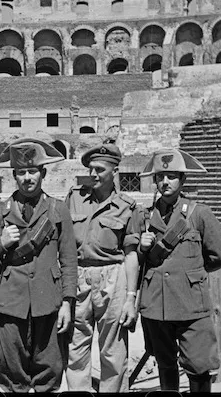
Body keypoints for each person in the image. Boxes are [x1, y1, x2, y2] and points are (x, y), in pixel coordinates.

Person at [0, 138, 77, 393]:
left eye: (33, 171)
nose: (27, 177)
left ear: (43, 173)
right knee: (13, 375)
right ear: (14, 175)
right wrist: (1, 243)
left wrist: (68, 302)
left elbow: (69, 261)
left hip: (48, 304)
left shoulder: (59, 211)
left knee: (49, 372)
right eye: (22, 172)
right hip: (11, 306)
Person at [136, 148, 221, 393]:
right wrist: (142, 248)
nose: (165, 182)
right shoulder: (144, 217)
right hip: (157, 306)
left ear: (183, 180)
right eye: (159, 177)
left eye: (171, 176)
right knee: (165, 365)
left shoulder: (200, 214)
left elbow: (219, 256)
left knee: (198, 366)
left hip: (191, 305)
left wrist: (192, 273)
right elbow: (136, 261)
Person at [64, 143, 141, 392]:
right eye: (90, 169)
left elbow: (131, 255)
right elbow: (62, 244)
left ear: (115, 171)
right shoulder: (74, 198)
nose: (93, 175)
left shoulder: (127, 207)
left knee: (113, 354)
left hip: (112, 278)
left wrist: (131, 298)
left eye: (99, 170)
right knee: (75, 351)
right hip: (78, 278)